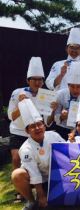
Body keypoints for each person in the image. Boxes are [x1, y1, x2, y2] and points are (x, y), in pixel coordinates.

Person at [11, 99, 65, 210]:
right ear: (27, 131)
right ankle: (31, 201)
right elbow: (34, 173)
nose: (37, 128)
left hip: (57, 177)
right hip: (37, 180)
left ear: (44, 126)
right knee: (17, 174)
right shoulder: (26, 148)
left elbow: (67, 151)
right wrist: (41, 195)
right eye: (32, 126)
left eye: (39, 124)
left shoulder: (54, 135)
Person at [7, 57, 46, 200]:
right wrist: (20, 103)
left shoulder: (45, 95)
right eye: (34, 79)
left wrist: (53, 111)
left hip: (35, 133)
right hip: (18, 131)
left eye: (40, 79)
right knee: (16, 158)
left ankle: (39, 186)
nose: (38, 82)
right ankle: (19, 190)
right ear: (28, 80)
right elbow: (11, 116)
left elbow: (47, 120)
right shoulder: (18, 92)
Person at [47, 61, 80, 139]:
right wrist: (61, 117)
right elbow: (51, 120)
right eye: (72, 86)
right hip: (61, 129)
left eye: (78, 87)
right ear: (68, 85)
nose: (75, 90)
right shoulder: (60, 95)